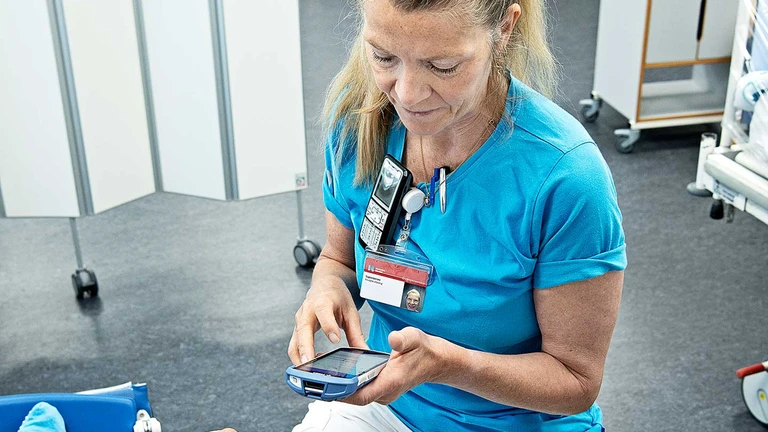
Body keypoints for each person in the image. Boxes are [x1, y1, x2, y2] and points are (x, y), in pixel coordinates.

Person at [287, 0, 627, 431]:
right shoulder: (358, 123)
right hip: (389, 405)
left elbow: (576, 381)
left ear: (504, 29)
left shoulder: (565, 177)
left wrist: (448, 365)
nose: (407, 94)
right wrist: (328, 288)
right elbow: (339, 260)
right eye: (384, 57)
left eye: (442, 66)